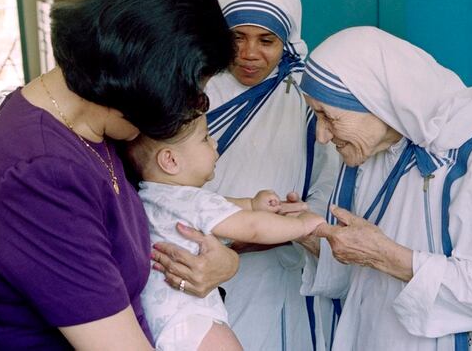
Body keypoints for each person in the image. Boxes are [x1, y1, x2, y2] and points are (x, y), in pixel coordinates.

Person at [0, 0, 239, 349]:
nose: (189, 111)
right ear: (145, 82)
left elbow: (172, 205)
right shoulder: (40, 177)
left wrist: (225, 263)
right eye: (188, 95)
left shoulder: (96, 122)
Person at [298, 26, 472, 350]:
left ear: (375, 102)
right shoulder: (375, 151)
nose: (322, 135)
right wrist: (310, 233)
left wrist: (383, 254)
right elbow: (359, 269)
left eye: (328, 116)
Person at [193, 0, 339, 350]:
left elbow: (328, 182)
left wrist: (291, 225)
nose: (249, 54)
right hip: (199, 259)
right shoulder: (196, 89)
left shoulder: (306, 96)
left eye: (266, 40)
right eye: (236, 37)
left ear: (287, 41)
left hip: (279, 266)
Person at [126, 114, 325, 351]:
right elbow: (252, 228)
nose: (215, 143)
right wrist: (302, 226)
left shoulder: (151, 197)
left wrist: (253, 204)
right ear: (170, 160)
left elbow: (222, 207)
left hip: (162, 321)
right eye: (205, 138)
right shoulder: (192, 200)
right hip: (192, 320)